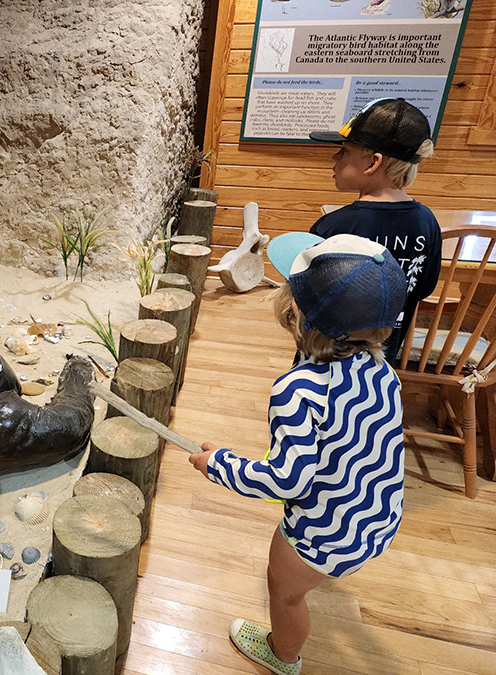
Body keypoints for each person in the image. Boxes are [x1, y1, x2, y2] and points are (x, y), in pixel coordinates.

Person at [189, 232, 408, 675]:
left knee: (285, 592)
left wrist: (220, 465)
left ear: (294, 311)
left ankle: (283, 655)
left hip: (325, 527)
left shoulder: (297, 388)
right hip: (377, 513)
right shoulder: (380, 367)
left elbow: (288, 480)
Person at [308, 97, 441, 364]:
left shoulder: (334, 227)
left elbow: (304, 295)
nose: (334, 157)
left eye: (344, 151)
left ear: (372, 163)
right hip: (382, 363)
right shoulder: (427, 222)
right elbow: (423, 288)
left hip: (322, 362)